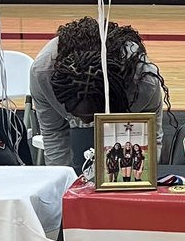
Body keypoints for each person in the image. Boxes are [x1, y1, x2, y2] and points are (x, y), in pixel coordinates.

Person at [29, 18, 169, 169]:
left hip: (125, 102)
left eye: (91, 114)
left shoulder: (143, 83)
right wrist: (62, 182)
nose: (86, 122)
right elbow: (54, 133)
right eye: (77, 113)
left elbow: (151, 139)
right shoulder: (43, 74)